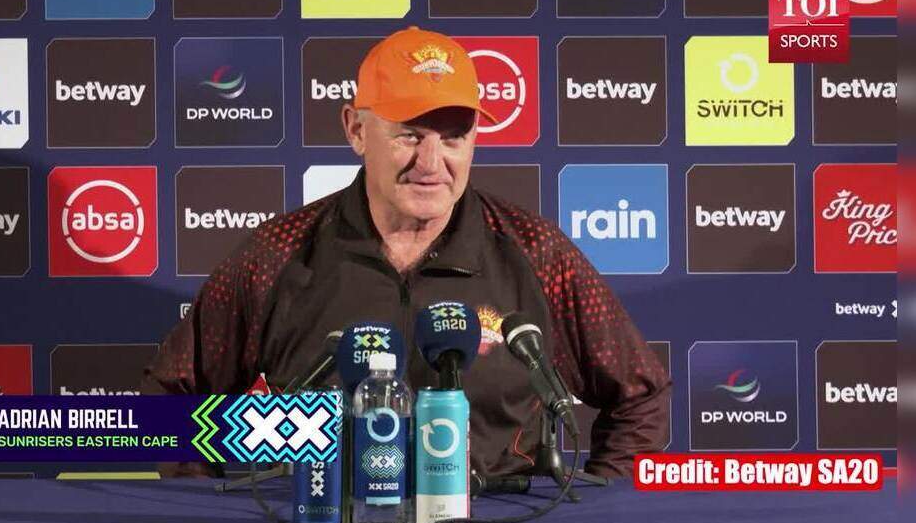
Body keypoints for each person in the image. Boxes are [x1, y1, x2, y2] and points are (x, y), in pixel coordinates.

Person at [142, 27, 671, 479]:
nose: (431, 162)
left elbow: (641, 397)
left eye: (454, 137)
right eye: (410, 135)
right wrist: (209, 511)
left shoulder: (535, 252)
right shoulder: (278, 254)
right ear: (356, 129)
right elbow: (168, 402)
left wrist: (593, 510)